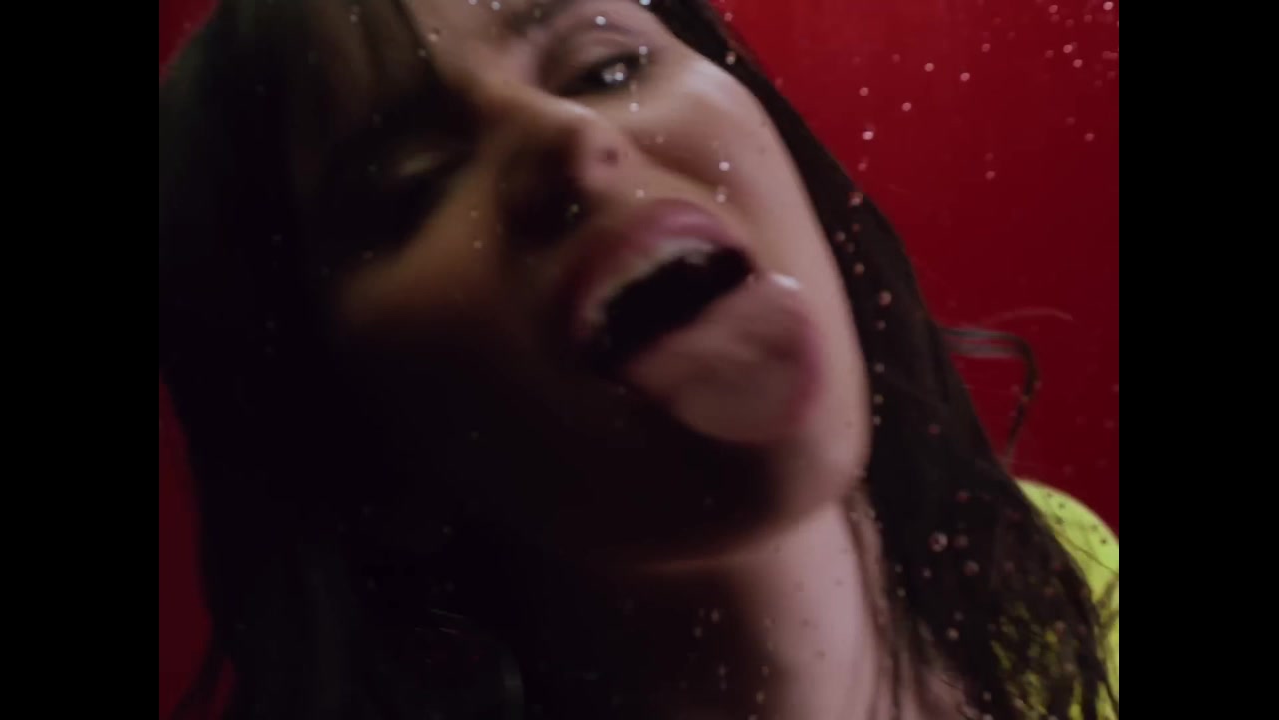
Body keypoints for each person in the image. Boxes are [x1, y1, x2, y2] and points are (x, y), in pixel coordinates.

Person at [158, 1, 1118, 718]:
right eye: (417, 186)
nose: (569, 138)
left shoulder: (1061, 575)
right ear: (357, 447)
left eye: (607, 67)